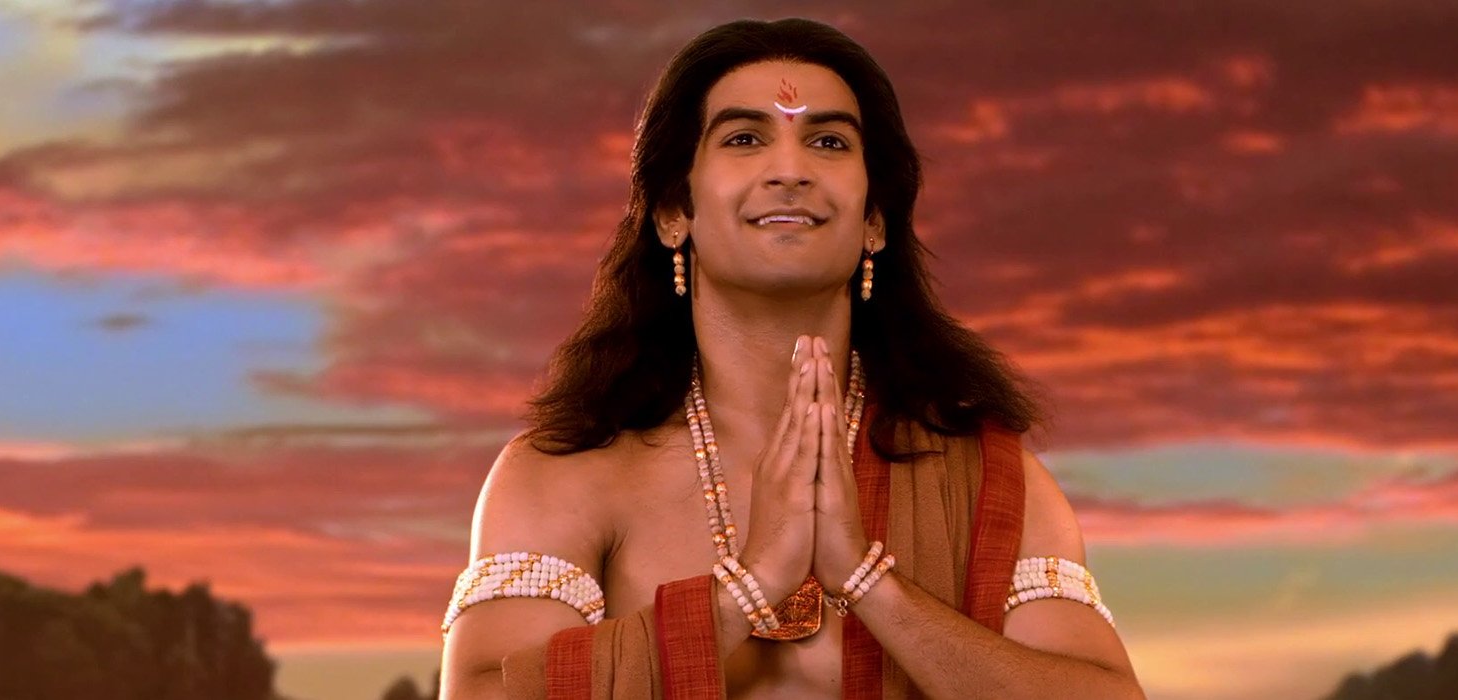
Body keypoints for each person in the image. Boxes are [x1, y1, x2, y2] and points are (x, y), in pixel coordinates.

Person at [439, 17, 1144, 699]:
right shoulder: (567, 473)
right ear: (673, 212)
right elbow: (481, 693)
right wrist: (747, 588)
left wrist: (868, 581)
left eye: (829, 142)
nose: (790, 170)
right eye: (744, 138)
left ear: (874, 221)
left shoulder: (990, 478)